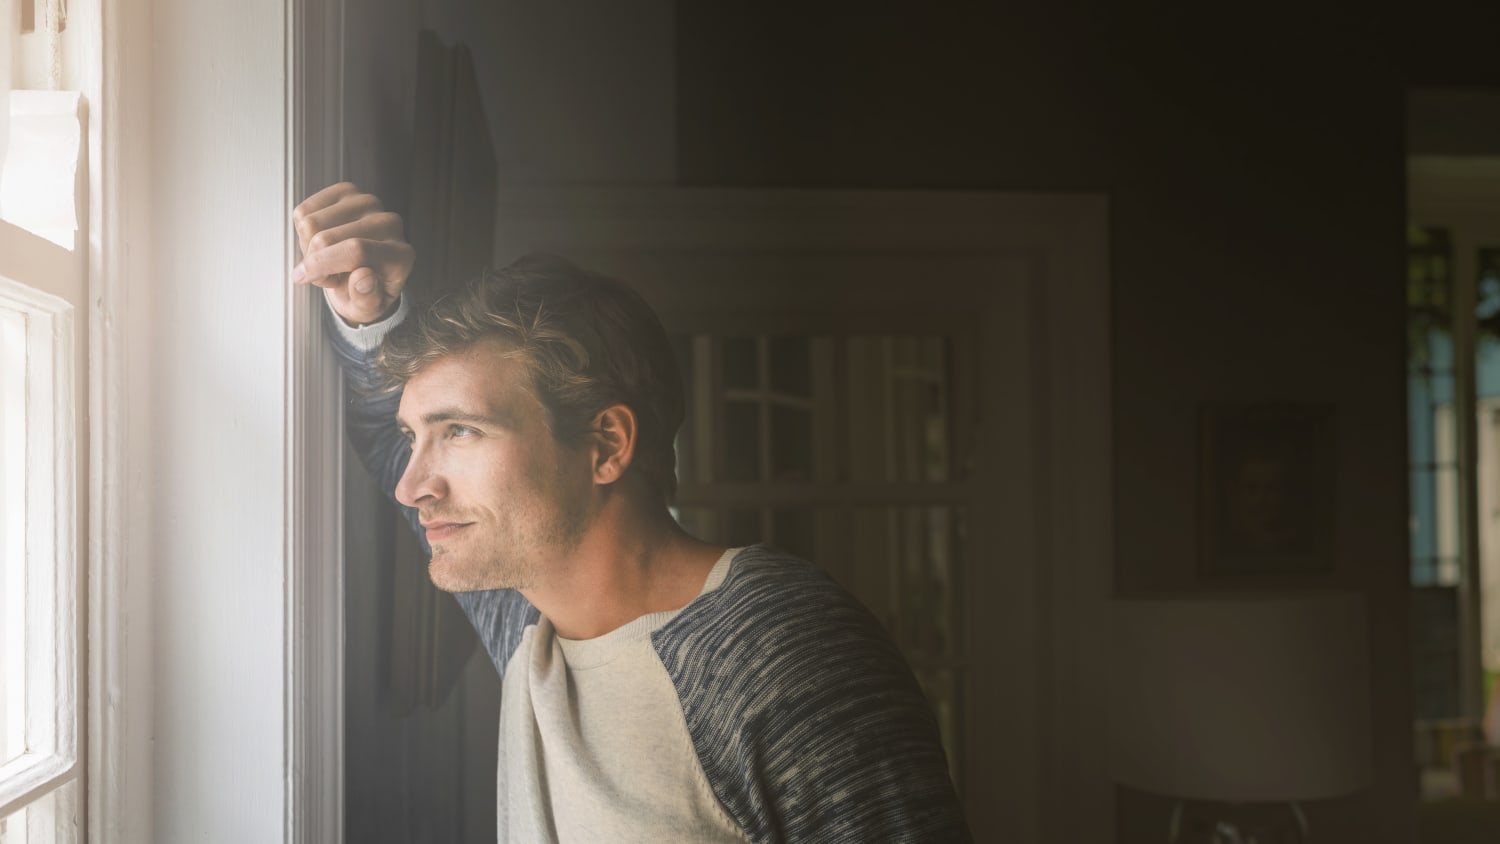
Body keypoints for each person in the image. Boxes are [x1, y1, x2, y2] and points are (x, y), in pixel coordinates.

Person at [292, 182, 971, 842]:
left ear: (605, 445)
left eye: (461, 432)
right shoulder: (536, 625)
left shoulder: (776, 648)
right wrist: (369, 307)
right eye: (420, 437)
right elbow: (386, 437)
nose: (413, 487)